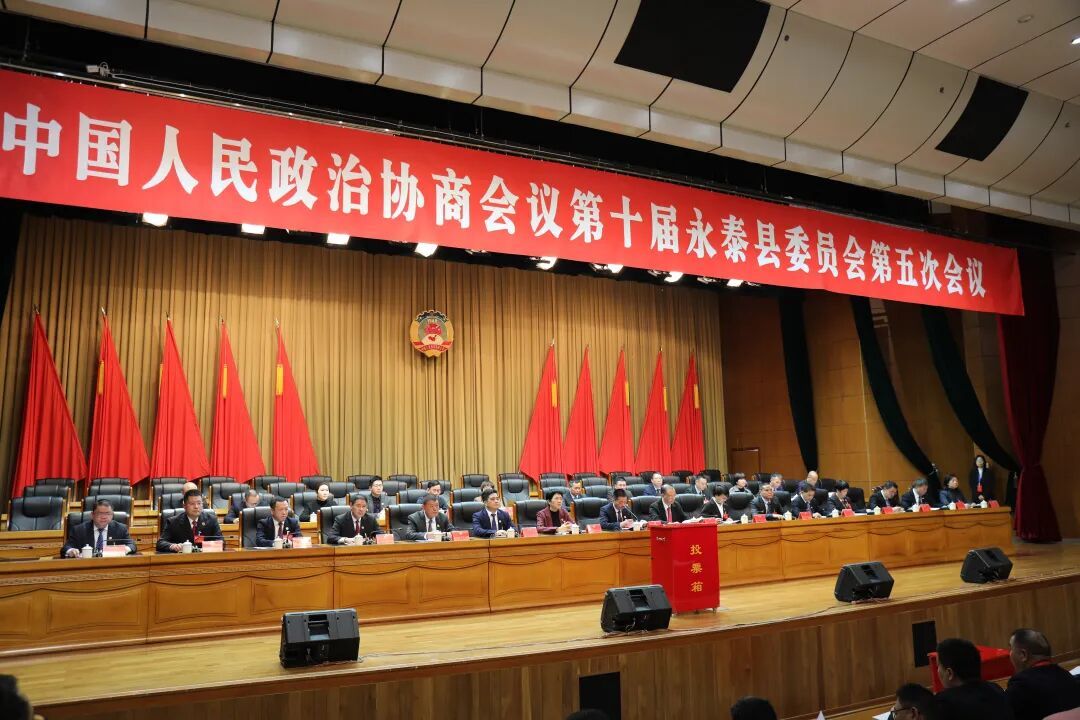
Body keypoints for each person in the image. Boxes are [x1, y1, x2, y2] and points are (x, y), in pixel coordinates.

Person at [1005, 628, 1080, 720]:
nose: (1009, 654)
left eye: (1011, 649)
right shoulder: (1067, 676)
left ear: (1023, 655)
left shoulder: (1020, 685)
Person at [934, 638, 1014, 720]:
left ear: (949, 673)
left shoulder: (944, 703)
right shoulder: (996, 689)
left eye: (938, 666)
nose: (937, 671)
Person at [62, 499, 136, 557]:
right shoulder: (79, 530)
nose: (104, 517)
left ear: (112, 515)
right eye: (100, 513)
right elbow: (66, 547)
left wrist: (122, 549)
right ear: (92, 515)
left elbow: (132, 545)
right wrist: (71, 551)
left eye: (108, 513)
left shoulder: (121, 528)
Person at [157, 489, 223, 552]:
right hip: (182, 558)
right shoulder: (173, 522)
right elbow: (160, 543)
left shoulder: (211, 520)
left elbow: (221, 542)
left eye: (199, 503)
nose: (196, 507)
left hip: (205, 557)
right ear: (184, 506)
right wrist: (173, 546)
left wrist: (203, 548)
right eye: (192, 504)